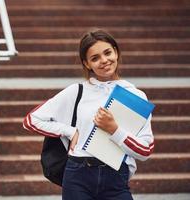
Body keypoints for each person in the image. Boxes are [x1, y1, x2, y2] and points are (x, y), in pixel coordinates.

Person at [23, 29, 154, 200]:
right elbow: (31, 120)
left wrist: (114, 129)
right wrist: (70, 131)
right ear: (86, 64)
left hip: (116, 178)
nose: (104, 61)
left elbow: (145, 150)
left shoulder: (136, 96)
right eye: (95, 58)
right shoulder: (77, 91)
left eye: (108, 53)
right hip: (78, 175)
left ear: (116, 52)